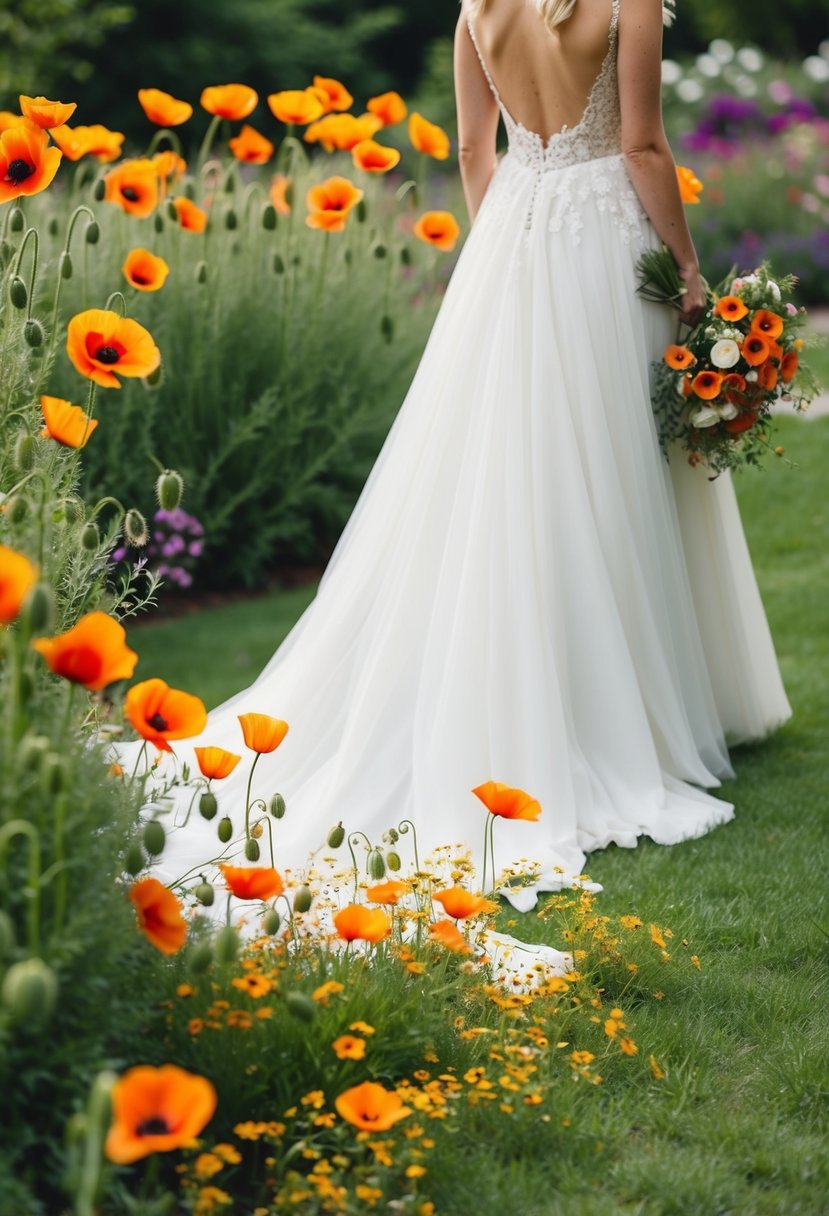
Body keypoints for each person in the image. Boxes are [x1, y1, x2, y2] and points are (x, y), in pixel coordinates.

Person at [145, 0, 790, 905]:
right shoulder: (625, 3)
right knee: (619, 471)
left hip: (513, 243)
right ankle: (630, 718)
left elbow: (469, 154)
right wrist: (686, 273)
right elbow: (642, 148)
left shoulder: (477, 7)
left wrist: (511, 252)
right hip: (606, 245)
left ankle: (586, 700)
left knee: (517, 481)